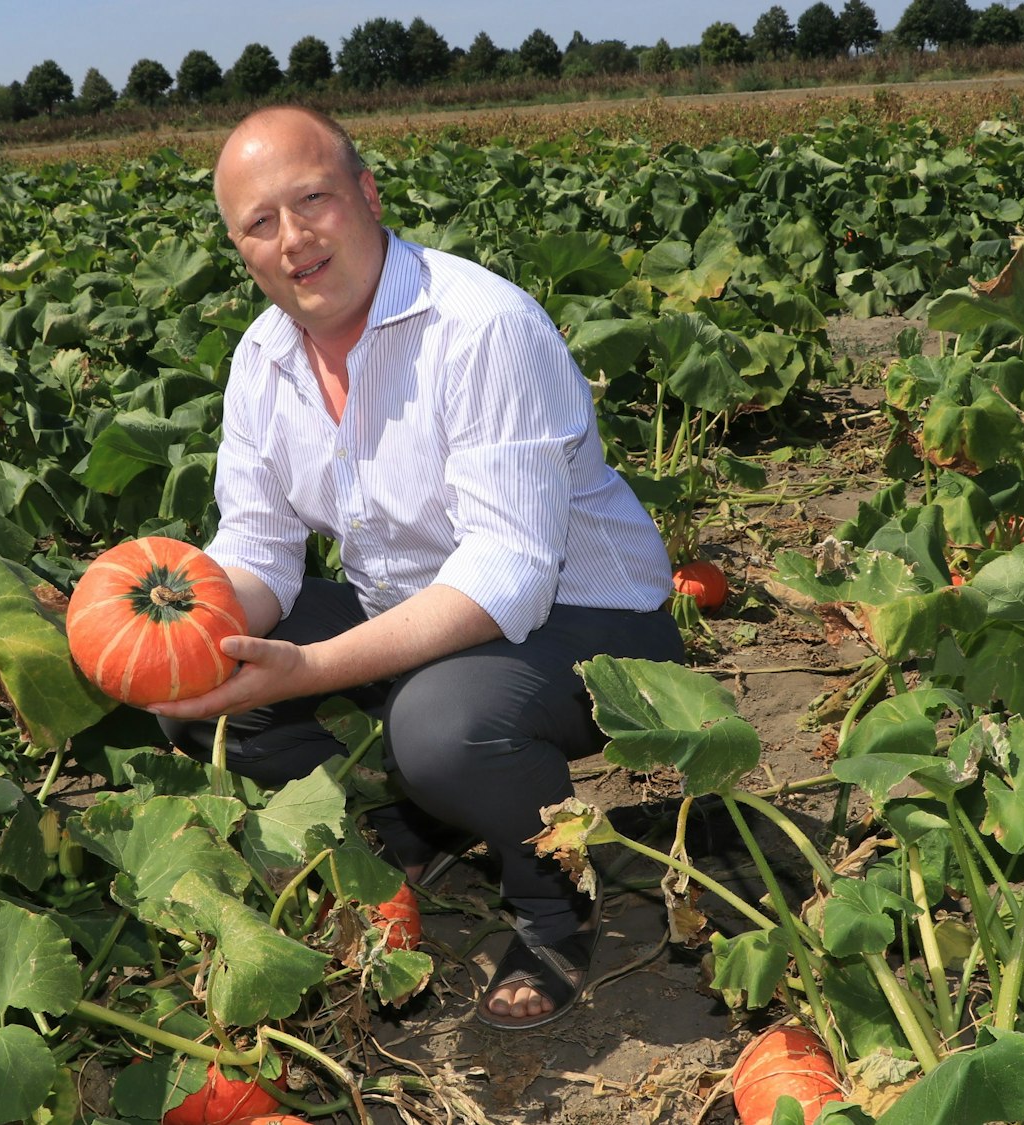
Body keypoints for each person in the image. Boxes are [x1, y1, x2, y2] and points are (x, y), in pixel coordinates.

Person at [150, 105, 682, 1030]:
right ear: (239, 247)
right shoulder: (262, 358)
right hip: (410, 613)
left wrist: (316, 666)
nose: (293, 239)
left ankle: (554, 904)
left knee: (437, 726)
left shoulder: (481, 326)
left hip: (592, 620)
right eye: (259, 224)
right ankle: (417, 823)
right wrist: (178, 630)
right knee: (201, 678)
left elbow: (507, 573)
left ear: (367, 194)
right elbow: (261, 551)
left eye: (312, 199)